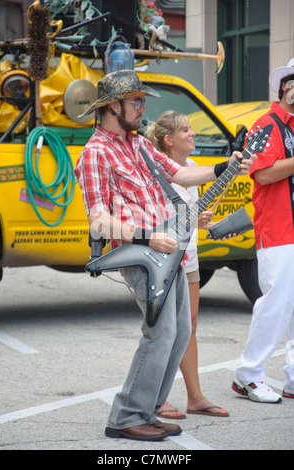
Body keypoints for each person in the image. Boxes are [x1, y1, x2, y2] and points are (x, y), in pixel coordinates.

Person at [74, 69, 255, 441]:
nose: (142, 109)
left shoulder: (138, 145)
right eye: (135, 102)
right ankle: (125, 416)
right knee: (162, 332)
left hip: (167, 249)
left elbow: (182, 175)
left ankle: (148, 409)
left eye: (142, 102)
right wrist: (148, 236)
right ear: (113, 106)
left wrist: (228, 165)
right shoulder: (95, 153)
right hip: (141, 253)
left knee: (180, 330)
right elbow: (97, 220)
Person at [145, 110, 230, 419]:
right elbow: (156, 218)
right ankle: (157, 397)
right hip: (165, 257)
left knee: (189, 326)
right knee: (165, 329)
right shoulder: (156, 169)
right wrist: (189, 220)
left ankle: (195, 397)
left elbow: (189, 218)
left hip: (189, 255)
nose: (193, 134)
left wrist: (204, 220)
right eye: (186, 131)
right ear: (168, 140)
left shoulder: (193, 167)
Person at [232, 58, 294, 403]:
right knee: (275, 304)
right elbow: (264, 173)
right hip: (278, 229)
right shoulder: (266, 124)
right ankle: (248, 375)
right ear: (287, 87)